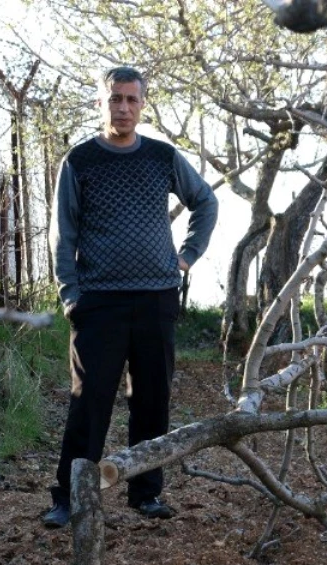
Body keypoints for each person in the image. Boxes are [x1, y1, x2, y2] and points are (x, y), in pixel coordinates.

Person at [42, 65, 218, 529]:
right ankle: (69, 497)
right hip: (98, 301)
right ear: (101, 102)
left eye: (131, 100)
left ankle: (146, 493)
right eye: (114, 99)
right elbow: (63, 234)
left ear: (143, 104)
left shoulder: (162, 156)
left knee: (152, 400)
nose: (122, 108)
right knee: (89, 403)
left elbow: (206, 201)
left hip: (157, 297)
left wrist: (186, 256)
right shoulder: (79, 162)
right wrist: (70, 295)